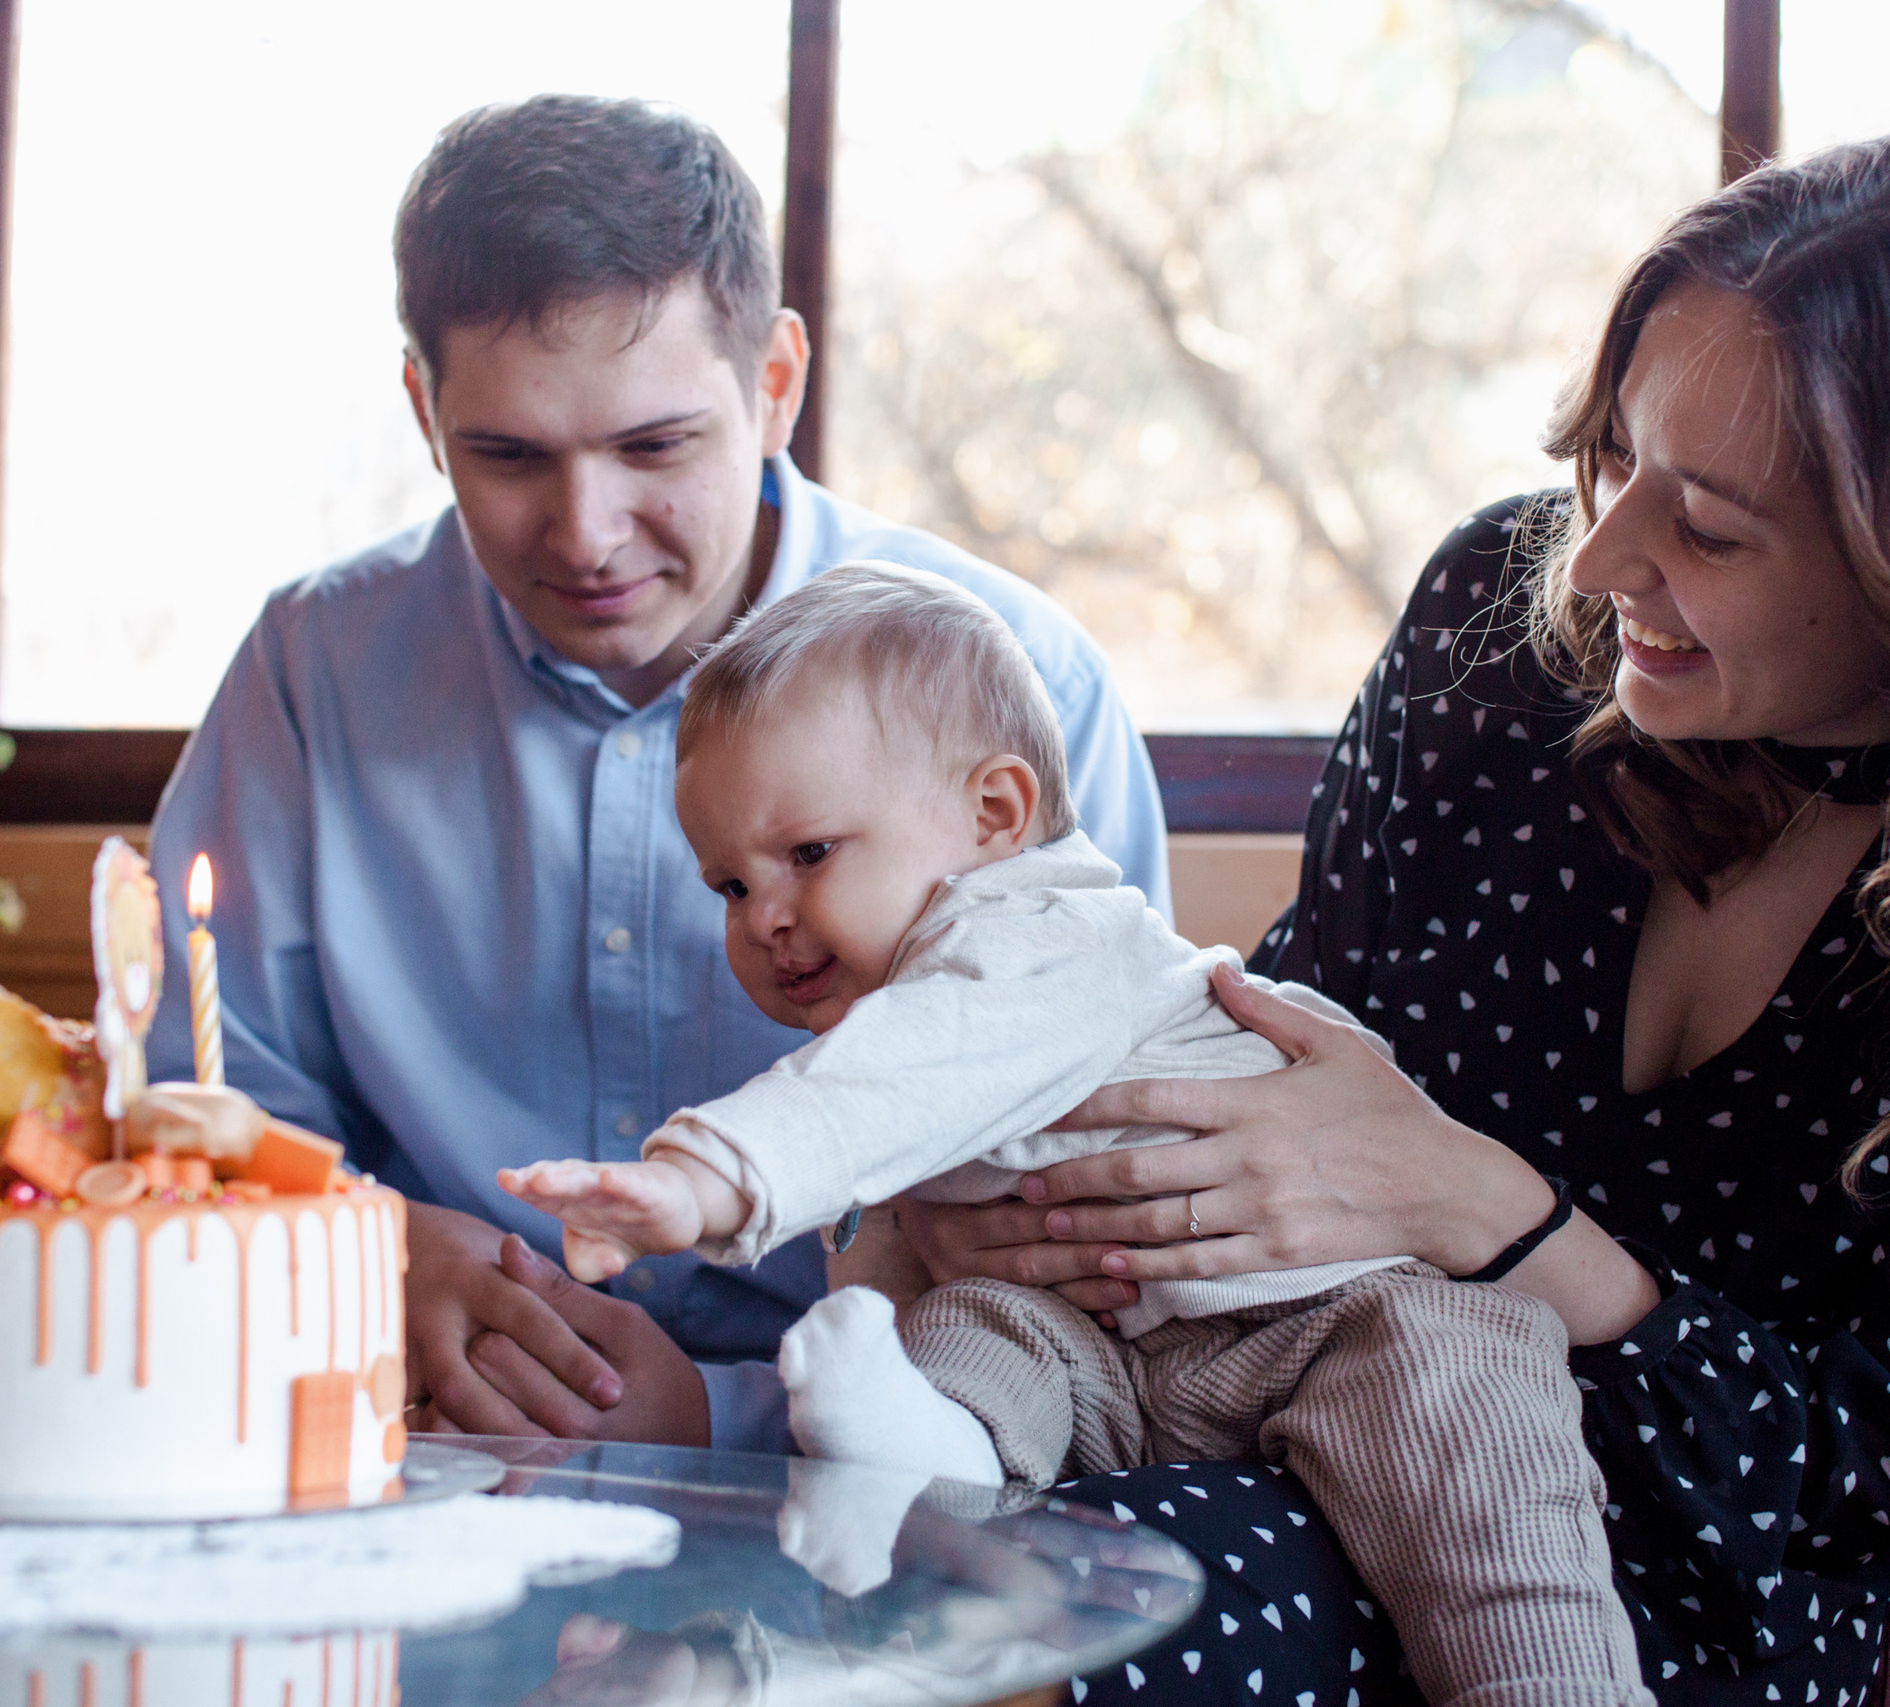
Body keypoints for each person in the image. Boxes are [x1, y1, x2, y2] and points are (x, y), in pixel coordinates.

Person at [899, 132, 1890, 1706]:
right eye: (1616, 455)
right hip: (1288, 1400)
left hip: (1679, 1588)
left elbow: (1860, 1495)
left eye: (1710, 527)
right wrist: (1023, 1208)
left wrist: (1495, 1214)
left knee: (1061, 1607)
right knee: (922, 1540)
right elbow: (1271, 1076)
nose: (1600, 557)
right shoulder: (1498, 632)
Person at [144, 95, 1168, 1457]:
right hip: (418, 1446)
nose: (586, 534)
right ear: (424, 411)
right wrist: (368, 1250)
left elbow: (1095, 1200)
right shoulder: (310, 672)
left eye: (654, 446)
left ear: (776, 383)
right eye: (509, 456)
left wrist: (730, 1414)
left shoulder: (1026, 686)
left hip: (899, 1470)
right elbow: (196, 1110)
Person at [504, 560, 1652, 1707]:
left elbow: (881, 1086)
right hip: (1109, 1362)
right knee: (975, 1329)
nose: (765, 918)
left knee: (1461, 1422)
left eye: (807, 855)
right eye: (728, 887)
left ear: (993, 816)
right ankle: (926, 1465)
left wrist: (700, 1180)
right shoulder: (889, 1028)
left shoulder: (1040, 933)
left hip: (1323, 1322)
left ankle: (1546, 1686)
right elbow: (886, 1212)